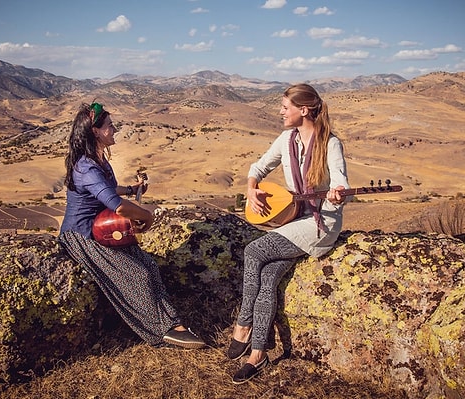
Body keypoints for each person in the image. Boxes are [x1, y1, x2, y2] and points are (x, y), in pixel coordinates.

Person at [227, 84, 349, 384]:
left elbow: (341, 183)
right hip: (293, 220)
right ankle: (259, 355)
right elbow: (257, 167)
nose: (281, 111)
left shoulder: (330, 144)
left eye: (285, 106)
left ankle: (243, 324)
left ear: (303, 110)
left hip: (320, 224)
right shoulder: (286, 140)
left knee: (254, 252)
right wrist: (251, 189)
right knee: (268, 275)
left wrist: (337, 194)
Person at [58, 102, 205, 349]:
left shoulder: (99, 161)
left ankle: (173, 323)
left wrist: (131, 189)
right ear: (95, 131)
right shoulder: (85, 167)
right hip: (82, 236)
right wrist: (146, 216)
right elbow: (116, 205)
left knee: (147, 264)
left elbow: (108, 190)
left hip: (101, 231)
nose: (114, 129)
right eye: (110, 126)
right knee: (137, 274)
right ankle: (161, 331)